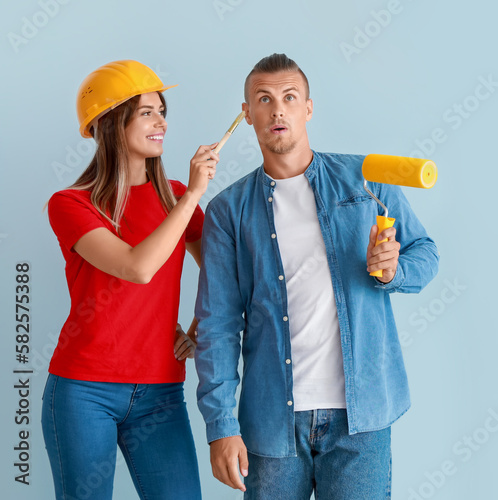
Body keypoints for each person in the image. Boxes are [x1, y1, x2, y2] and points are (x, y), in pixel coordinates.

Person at [195, 53, 439, 499]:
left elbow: (426, 254)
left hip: (361, 419)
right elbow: (218, 325)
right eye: (264, 99)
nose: (278, 109)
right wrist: (220, 425)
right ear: (247, 115)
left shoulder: (366, 180)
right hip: (272, 424)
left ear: (308, 108)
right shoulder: (228, 212)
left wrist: (392, 271)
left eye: (290, 97)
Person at [43, 60, 218, 500]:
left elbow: (224, 273)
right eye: (145, 112)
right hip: (83, 392)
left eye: (162, 111)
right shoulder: (70, 204)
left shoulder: (176, 197)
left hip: (161, 391)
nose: (160, 122)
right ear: (108, 123)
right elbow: (136, 267)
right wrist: (195, 193)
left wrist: (201, 327)